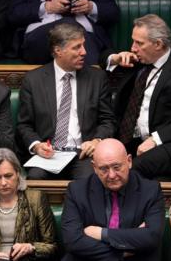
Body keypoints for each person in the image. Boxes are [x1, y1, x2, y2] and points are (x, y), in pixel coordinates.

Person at [101, 14, 171, 179]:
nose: (133, 48)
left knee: (125, 171)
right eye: (133, 41)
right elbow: (102, 58)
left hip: (168, 143)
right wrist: (115, 59)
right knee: (104, 164)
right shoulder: (137, 62)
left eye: (139, 43)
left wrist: (156, 139)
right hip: (131, 140)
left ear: (158, 44)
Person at [16, 23, 115, 180]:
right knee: (35, 178)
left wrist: (96, 141)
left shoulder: (97, 78)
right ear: (58, 51)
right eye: (77, 47)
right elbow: (24, 125)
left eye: (83, 45)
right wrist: (36, 145)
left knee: (89, 181)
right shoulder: (34, 80)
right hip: (49, 153)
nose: (84, 52)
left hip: (83, 153)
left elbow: (107, 121)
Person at [61, 138, 165, 261]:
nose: (111, 175)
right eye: (104, 169)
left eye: (116, 167)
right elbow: (72, 241)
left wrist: (101, 233)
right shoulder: (77, 190)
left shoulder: (150, 190)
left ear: (129, 161)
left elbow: (151, 237)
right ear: (94, 167)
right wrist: (120, 253)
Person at [8, 0, 119, 65]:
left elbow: (113, 12)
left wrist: (91, 7)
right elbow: (13, 14)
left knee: (72, 29)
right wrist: (46, 7)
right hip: (40, 37)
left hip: (86, 37)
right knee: (69, 26)